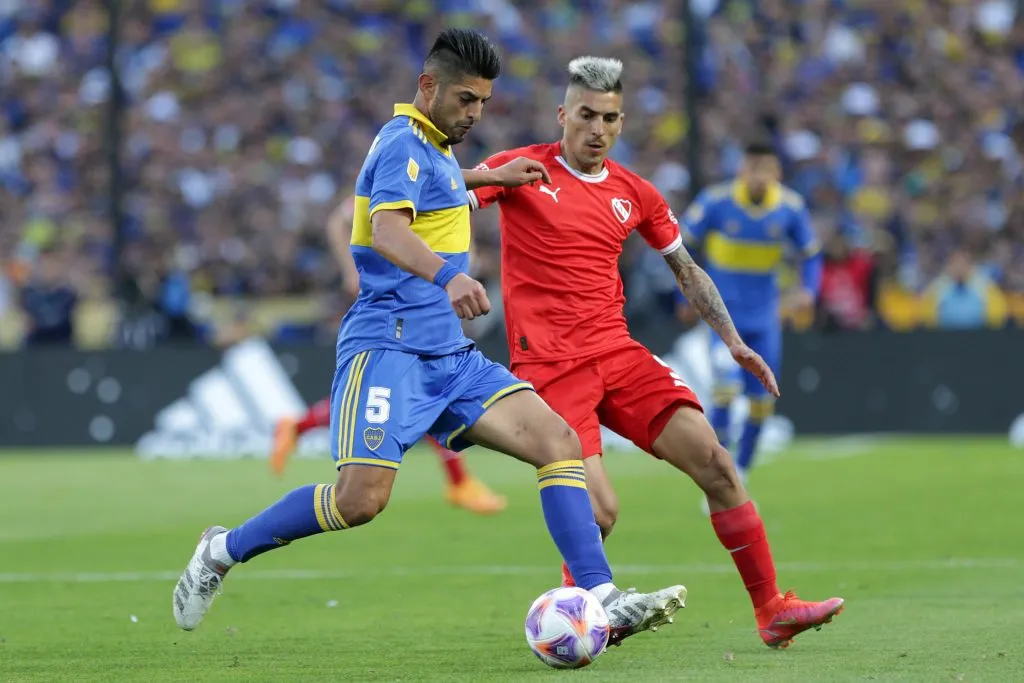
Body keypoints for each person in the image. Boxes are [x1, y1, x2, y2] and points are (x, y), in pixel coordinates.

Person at [172, 29, 686, 645]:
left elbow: (437, 181)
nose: (476, 114)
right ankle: (221, 550)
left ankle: (601, 597)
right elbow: (387, 230)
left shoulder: (437, 148)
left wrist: (487, 177)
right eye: (467, 100)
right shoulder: (400, 142)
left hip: (451, 356)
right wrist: (449, 276)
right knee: (359, 501)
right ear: (427, 87)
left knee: (557, 439)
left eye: (484, 103)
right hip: (388, 348)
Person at [467, 56, 842, 649]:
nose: (597, 129)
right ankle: (583, 611)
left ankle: (772, 608)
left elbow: (685, 268)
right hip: (549, 366)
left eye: (610, 118)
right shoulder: (521, 169)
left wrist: (733, 341)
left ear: (621, 123)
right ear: (563, 115)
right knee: (603, 512)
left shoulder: (634, 192)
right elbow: (442, 193)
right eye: (586, 115)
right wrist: (470, 208)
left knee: (718, 465)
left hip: (617, 354)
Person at [269, 195, 507, 515]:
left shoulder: (443, 181)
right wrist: (350, 271)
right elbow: (339, 222)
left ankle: (299, 425)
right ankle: (459, 482)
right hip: (392, 311)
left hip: (426, 309)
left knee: (411, 397)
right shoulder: (398, 180)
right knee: (413, 396)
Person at [680, 140, 823, 500]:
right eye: (753, 167)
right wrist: (687, 286)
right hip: (723, 318)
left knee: (762, 402)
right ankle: (718, 476)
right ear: (742, 169)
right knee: (725, 390)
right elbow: (680, 243)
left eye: (767, 169)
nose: (759, 176)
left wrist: (808, 290)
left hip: (764, 320)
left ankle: (739, 474)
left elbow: (811, 255)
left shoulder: (789, 208)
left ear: (777, 173)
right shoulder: (716, 202)